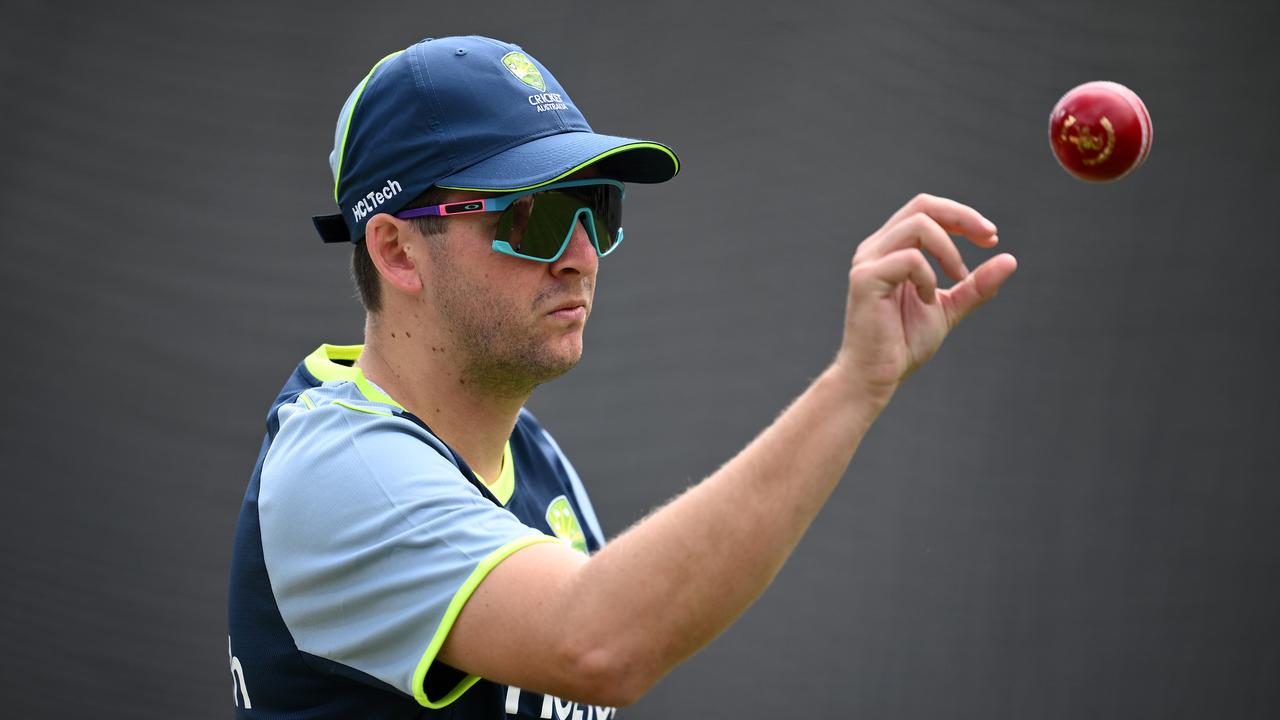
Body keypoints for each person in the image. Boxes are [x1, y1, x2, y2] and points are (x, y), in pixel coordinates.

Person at [227, 35, 1017, 719]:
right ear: (397, 251)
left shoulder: (532, 456)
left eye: (595, 207)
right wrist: (856, 384)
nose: (580, 255)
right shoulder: (340, 467)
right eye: (532, 218)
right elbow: (600, 644)